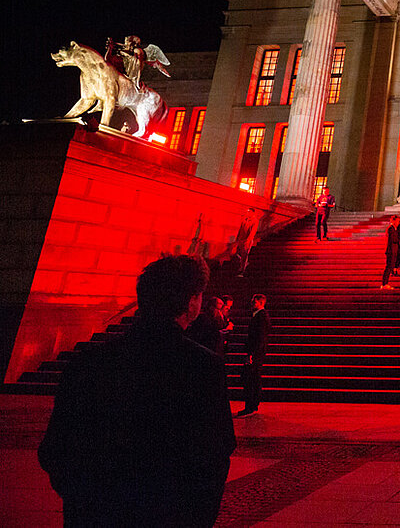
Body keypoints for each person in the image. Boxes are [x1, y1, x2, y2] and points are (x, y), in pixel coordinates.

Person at [39, 254, 235, 527]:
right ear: (191, 302)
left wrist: (85, 501)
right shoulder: (202, 368)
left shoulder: (87, 362)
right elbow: (215, 452)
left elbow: (55, 449)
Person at [237, 293, 272, 417]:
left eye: (254, 302)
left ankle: (250, 405)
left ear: (260, 303)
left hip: (255, 354)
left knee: (250, 379)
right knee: (253, 378)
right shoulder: (259, 316)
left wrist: (252, 354)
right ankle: (252, 405)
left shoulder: (261, 317)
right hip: (256, 353)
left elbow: (260, 338)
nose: (252, 304)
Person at [235, 207, 259, 277]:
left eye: (249, 212)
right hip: (241, 240)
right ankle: (242, 265)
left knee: (244, 255)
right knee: (239, 254)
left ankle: (242, 269)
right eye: (247, 212)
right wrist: (237, 239)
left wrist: (248, 240)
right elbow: (240, 229)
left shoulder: (254, 221)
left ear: (252, 213)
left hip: (247, 241)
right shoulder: (245, 220)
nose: (247, 213)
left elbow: (252, 232)